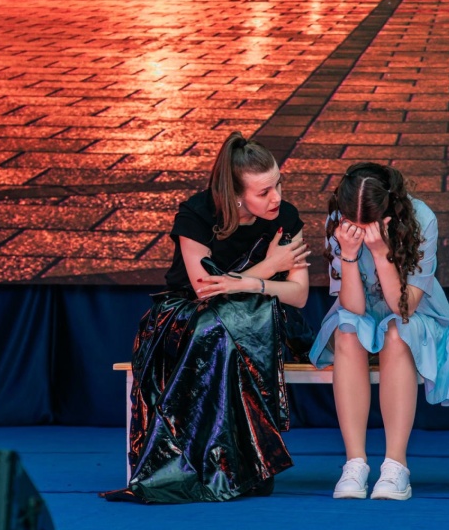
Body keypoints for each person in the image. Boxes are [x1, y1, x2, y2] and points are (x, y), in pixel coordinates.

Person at [102, 131, 311, 504]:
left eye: (278, 184)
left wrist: (249, 283)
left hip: (256, 318)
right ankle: (217, 464)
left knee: (232, 325)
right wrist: (270, 267)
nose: (276, 197)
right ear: (236, 196)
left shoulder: (286, 217)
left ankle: (236, 462)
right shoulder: (197, 214)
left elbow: (298, 295)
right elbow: (205, 291)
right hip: (186, 316)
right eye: (264, 192)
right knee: (214, 326)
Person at [308, 162, 449, 501]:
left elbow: (405, 307)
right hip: (363, 313)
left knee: (396, 332)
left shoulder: (421, 219)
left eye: (367, 225)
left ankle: (395, 466)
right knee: (347, 330)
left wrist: (382, 254)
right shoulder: (338, 222)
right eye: (351, 223)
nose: (357, 231)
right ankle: (355, 464)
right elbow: (353, 308)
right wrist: (350, 255)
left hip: (414, 316)